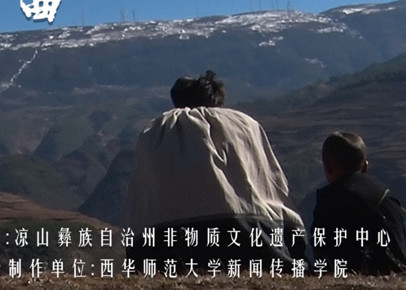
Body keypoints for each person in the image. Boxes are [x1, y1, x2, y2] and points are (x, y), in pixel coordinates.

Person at [125, 70, 307, 272]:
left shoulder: (155, 132)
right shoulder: (244, 125)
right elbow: (272, 185)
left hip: (163, 244)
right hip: (250, 237)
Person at [311, 131, 406, 275]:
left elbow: (324, 255)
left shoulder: (329, 201)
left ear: (328, 166)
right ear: (365, 167)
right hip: (395, 272)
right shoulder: (386, 197)